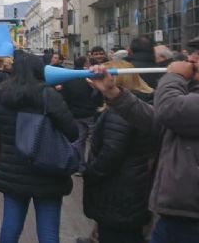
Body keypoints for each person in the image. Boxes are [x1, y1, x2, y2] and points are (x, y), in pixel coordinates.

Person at [87, 37, 199, 243]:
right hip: (178, 212)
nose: (191, 59)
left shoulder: (182, 93)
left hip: (190, 217)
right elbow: (156, 120)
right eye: (194, 52)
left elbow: (168, 110)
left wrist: (174, 76)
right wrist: (114, 93)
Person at [0, 51, 78, 243]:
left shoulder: (0, 94)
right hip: (48, 169)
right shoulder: (48, 94)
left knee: (10, 227)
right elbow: (72, 132)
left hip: (13, 168)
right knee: (48, 232)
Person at [80, 60, 155, 243]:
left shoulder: (119, 112)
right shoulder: (143, 103)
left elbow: (111, 153)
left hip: (118, 191)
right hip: (133, 187)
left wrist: (90, 173)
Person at [59, 56, 102, 174]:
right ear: (85, 64)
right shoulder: (89, 78)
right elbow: (97, 96)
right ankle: (94, 165)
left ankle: (79, 167)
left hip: (76, 114)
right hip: (91, 113)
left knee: (78, 141)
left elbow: (64, 97)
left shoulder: (69, 79)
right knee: (96, 140)